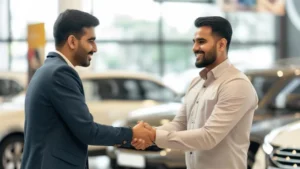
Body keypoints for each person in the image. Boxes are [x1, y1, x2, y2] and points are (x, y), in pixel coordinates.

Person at [20, 9, 154, 169]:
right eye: (90, 41)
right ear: (72, 42)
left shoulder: (46, 69)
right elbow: (88, 131)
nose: (95, 48)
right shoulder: (60, 73)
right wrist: (131, 134)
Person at [132, 16, 258, 169]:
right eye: (194, 42)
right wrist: (148, 133)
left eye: (202, 42)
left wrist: (153, 136)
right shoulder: (196, 82)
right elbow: (180, 124)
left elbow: (208, 137)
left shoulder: (236, 85)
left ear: (221, 45)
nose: (195, 48)